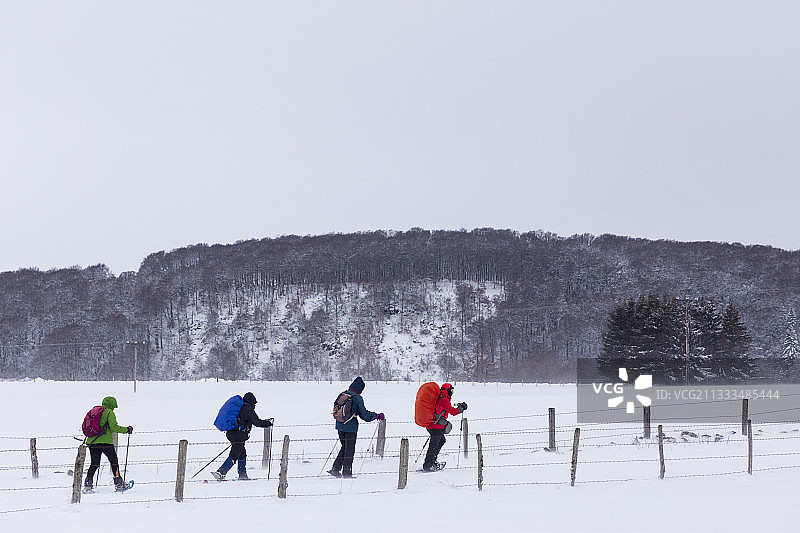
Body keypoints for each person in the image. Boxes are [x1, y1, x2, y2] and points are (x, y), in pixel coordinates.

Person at [328, 376, 384, 478]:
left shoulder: (343, 394)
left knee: (344, 447)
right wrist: (377, 416)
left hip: (339, 425)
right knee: (349, 450)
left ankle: (335, 469)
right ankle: (347, 473)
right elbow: (364, 415)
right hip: (350, 428)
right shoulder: (357, 398)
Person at [213, 392, 273, 480]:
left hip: (231, 433)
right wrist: (268, 423)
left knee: (242, 453)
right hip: (239, 435)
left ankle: (242, 475)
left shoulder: (240, 407)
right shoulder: (247, 408)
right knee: (234, 454)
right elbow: (257, 422)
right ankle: (221, 472)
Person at [84, 396, 133, 490]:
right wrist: (126, 430)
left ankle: (87, 485)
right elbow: (114, 427)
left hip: (92, 442)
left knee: (94, 463)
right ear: (112, 404)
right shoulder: (109, 413)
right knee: (114, 461)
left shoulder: (95, 411)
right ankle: (119, 483)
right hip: (106, 442)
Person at [423, 383, 467, 472]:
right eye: (451, 390)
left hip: (432, 425)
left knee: (441, 441)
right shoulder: (444, 399)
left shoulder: (439, 397)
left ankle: (432, 461)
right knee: (434, 444)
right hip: (436, 426)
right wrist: (461, 409)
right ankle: (428, 465)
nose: (452, 393)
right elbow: (453, 411)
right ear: (447, 390)